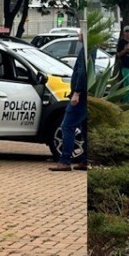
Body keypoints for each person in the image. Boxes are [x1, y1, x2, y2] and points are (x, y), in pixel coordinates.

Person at [50, 33, 88, 172]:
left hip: (81, 95)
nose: (78, 34)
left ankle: (65, 161)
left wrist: (77, 92)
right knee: (84, 129)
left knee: (67, 126)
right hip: (85, 95)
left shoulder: (86, 50)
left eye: (81, 31)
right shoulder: (90, 49)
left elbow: (82, 73)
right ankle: (85, 160)